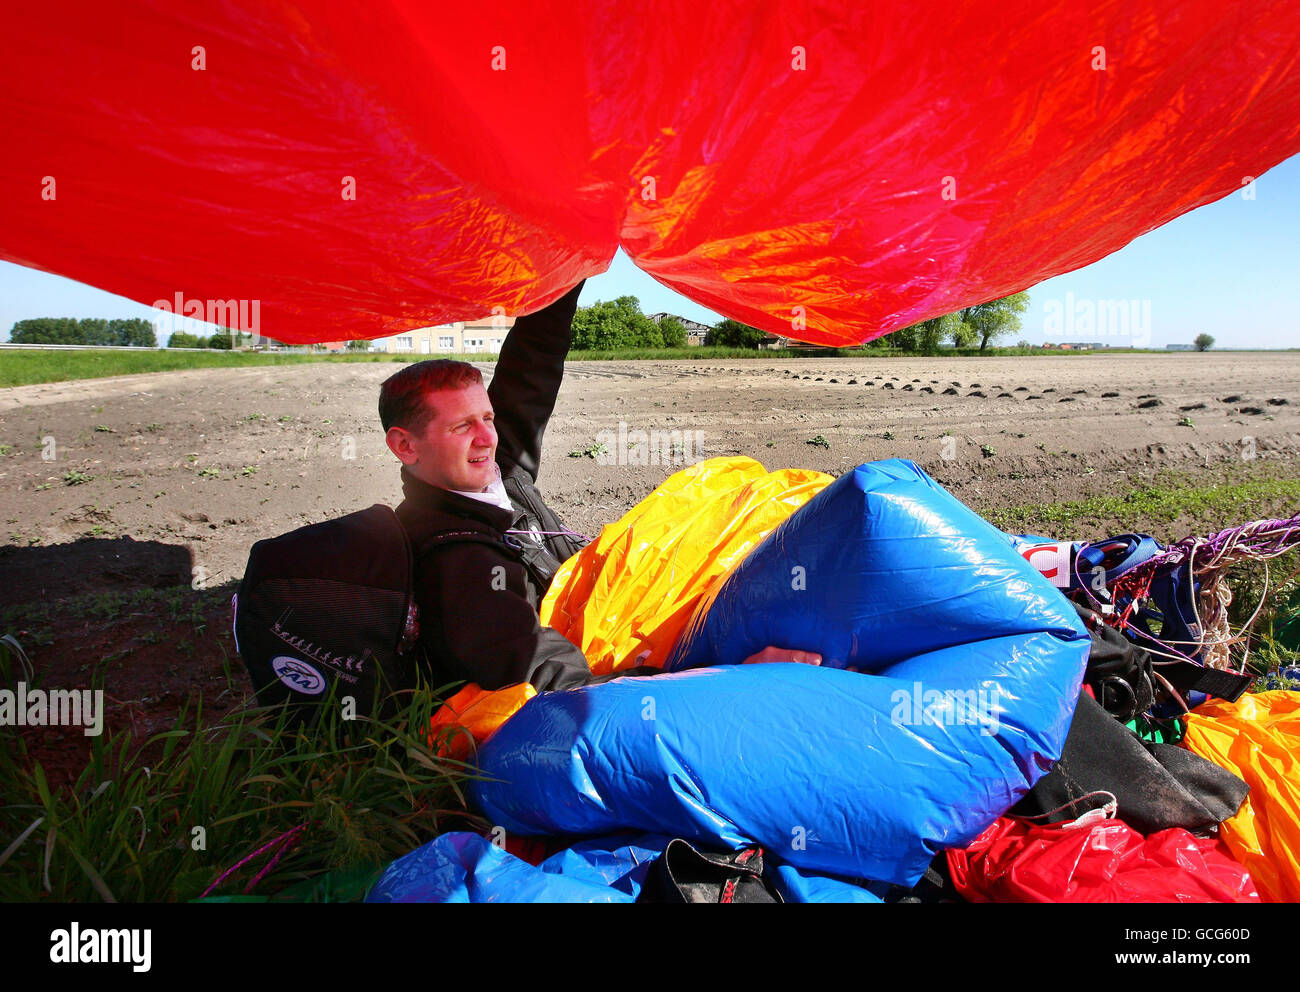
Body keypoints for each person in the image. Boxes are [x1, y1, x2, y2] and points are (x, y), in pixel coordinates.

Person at [380, 279, 818, 698]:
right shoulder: (460, 565)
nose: (487, 438)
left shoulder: (491, 470)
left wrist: (572, 264)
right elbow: (560, 686)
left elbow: (532, 363)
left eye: (488, 418)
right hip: (628, 654)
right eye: (461, 426)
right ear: (405, 445)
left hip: (620, 603)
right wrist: (730, 680)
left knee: (747, 499)